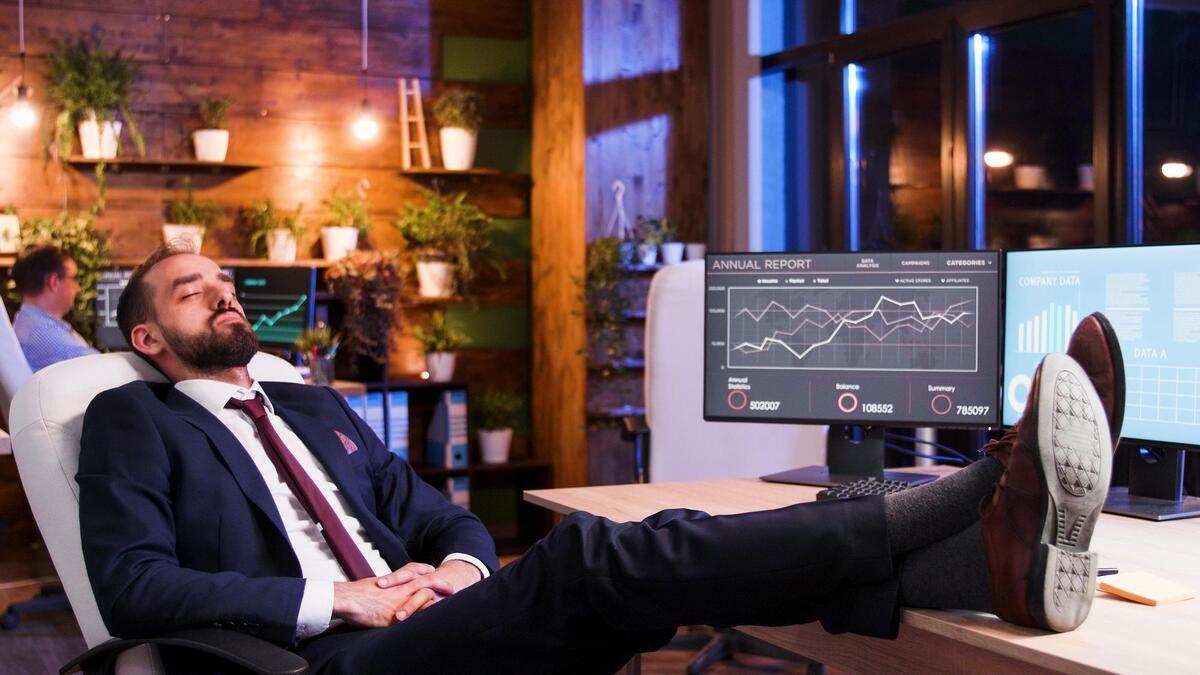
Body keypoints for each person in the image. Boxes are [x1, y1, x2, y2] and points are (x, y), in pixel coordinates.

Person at [78, 243, 1126, 674]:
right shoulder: (140, 421)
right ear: (150, 342)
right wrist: (341, 601)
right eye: (188, 290)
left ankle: (986, 560)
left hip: (431, 619)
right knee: (599, 557)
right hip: (323, 659)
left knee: (634, 575)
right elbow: (130, 588)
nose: (222, 292)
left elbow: (437, 513)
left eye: (225, 280)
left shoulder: (314, 409)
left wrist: (453, 568)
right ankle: (971, 501)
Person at [11, 244, 98, 372]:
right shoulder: (42, 332)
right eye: (74, 279)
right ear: (54, 282)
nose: (78, 288)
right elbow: (103, 370)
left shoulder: (29, 323)